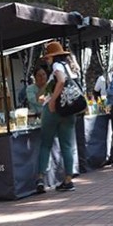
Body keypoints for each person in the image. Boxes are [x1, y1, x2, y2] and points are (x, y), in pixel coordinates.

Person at [35, 41, 79, 194]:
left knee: (45, 144)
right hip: (69, 110)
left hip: (54, 111)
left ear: (52, 56)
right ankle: (68, 180)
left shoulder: (56, 66)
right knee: (66, 145)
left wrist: (52, 101)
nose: (47, 60)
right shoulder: (69, 67)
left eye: (47, 57)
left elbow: (60, 81)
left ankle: (40, 178)